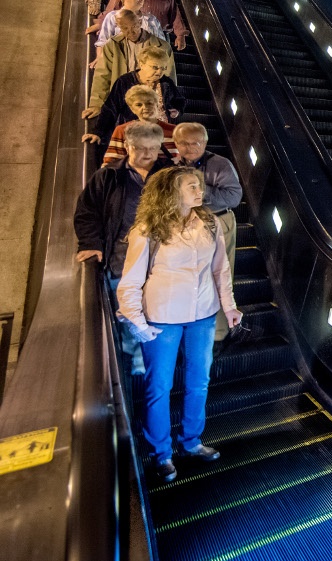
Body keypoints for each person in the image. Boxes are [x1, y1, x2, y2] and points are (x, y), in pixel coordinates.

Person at [116, 166, 242, 482]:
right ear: (171, 192)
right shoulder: (147, 229)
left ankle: (191, 442)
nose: (199, 191)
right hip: (162, 317)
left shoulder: (209, 223)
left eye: (198, 185)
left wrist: (229, 307)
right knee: (159, 387)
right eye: (191, 186)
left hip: (203, 314)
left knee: (199, 380)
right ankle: (162, 454)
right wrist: (138, 323)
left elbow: (220, 271)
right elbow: (129, 282)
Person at [75, 122, 176, 373]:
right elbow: (87, 212)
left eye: (154, 148)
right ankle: (134, 366)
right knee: (129, 309)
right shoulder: (108, 176)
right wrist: (90, 243)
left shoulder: (171, 175)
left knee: (161, 304)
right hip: (122, 255)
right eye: (141, 148)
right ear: (127, 147)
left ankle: (164, 360)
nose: (148, 154)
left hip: (162, 255)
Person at [174, 121, 243, 336]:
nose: (191, 148)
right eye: (184, 143)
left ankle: (219, 331)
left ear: (205, 142)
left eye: (196, 143)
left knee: (220, 275)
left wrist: (199, 191)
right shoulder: (173, 165)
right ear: (176, 143)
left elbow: (234, 197)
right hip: (186, 225)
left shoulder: (220, 164)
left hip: (217, 221)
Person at [85, 45, 184, 150]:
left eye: (163, 68)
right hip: (134, 138)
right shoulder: (125, 82)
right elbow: (110, 108)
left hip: (161, 137)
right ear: (141, 64)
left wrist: (177, 110)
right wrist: (98, 132)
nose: (159, 72)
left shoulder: (166, 82)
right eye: (155, 67)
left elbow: (180, 100)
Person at [103, 85, 179, 165]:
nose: (145, 107)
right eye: (139, 105)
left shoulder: (174, 130)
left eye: (149, 103)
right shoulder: (122, 130)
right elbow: (111, 162)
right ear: (132, 109)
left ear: (157, 105)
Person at [90, 0, 166, 65]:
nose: (141, 0)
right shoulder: (113, 17)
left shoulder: (151, 19)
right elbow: (103, 42)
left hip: (147, 64)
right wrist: (100, 59)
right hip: (121, 63)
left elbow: (162, 43)